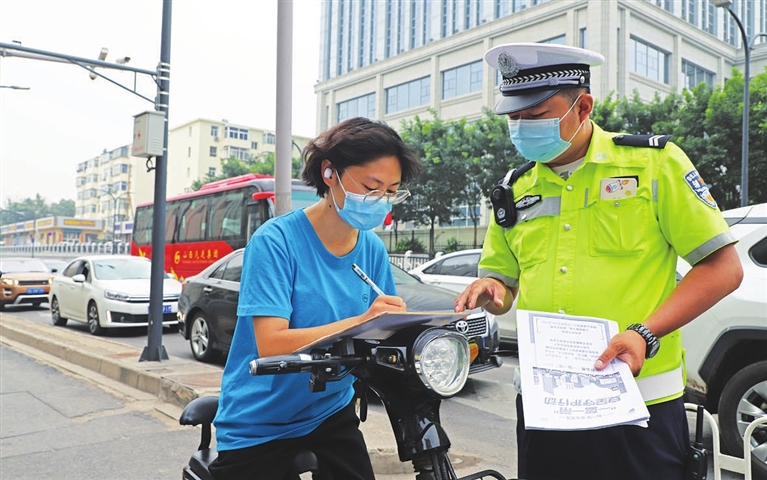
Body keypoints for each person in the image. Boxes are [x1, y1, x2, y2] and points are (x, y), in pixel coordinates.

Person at [454, 43, 744, 480]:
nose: (521, 128)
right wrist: (491, 292)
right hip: (545, 405)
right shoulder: (512, 190)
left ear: (583, 105)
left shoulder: (653, 165)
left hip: (638, 404)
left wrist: (644, 333)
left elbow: (723, 268)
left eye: (534, 117)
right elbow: (504, 286)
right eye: (512, 119)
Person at [209, 117, 421, 480]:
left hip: (329, 411)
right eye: (371, 187)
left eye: (390, 191)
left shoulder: (371, 248)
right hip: (261, 421)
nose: (380, 201)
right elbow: (272, 343)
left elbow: (381, 329)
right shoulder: (275, 242)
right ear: (329, 173)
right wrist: (361, 321)